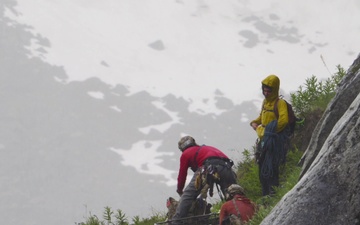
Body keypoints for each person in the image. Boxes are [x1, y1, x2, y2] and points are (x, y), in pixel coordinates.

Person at [171, 135, 237, 223]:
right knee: (233, 193)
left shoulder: (185, 153)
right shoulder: (206, 148)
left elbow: (182, 175)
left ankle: (176, 221)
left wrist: (179, 190)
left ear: (182, 148)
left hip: (207, 167)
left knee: (188, 195)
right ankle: (239, 214)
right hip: (226, 167)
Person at [250, 74, 289, 196]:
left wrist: (266, 132)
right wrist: (255, 122)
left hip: (274, 142)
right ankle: (265, 194)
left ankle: (272, 194)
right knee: (262, 168)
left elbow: (284, 120)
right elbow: (262, 117)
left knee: (271, 168)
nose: (266, 93)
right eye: (264, 90)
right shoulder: (265, 103)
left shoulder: (280, 103)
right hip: (264, 142)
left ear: (275, 90)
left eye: (268, 91)